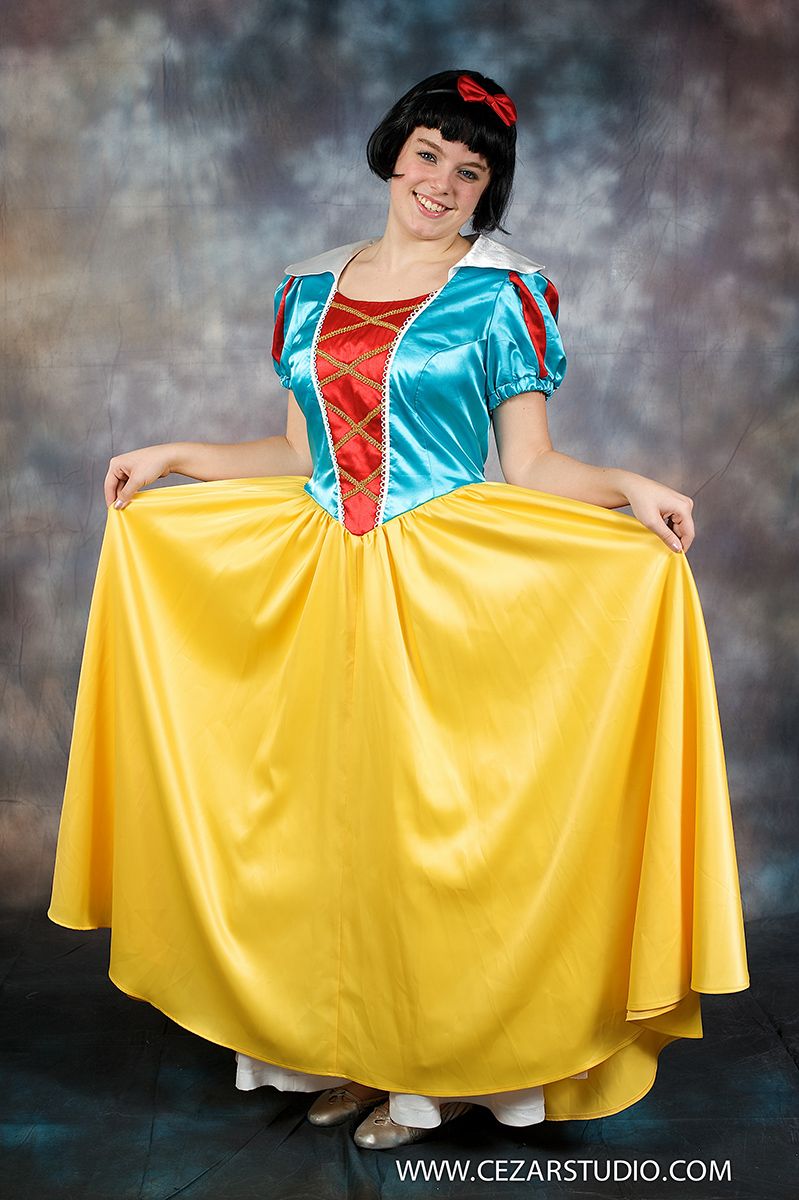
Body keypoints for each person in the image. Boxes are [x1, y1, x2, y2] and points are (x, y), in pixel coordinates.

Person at [47, 69, 750, 1152]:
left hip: (444, 591)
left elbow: (530, 465)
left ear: (485, 189)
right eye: (429, 155)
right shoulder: (307, 288)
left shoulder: (503, 294)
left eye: (469, 171)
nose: (441, 183)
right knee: (326, 828)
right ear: (394, 153)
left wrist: (628, 487)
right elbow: (296, 453)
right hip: (317, 584)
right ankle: (343, 1050)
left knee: (435, 837)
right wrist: (176, 455)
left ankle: (433, 1073)